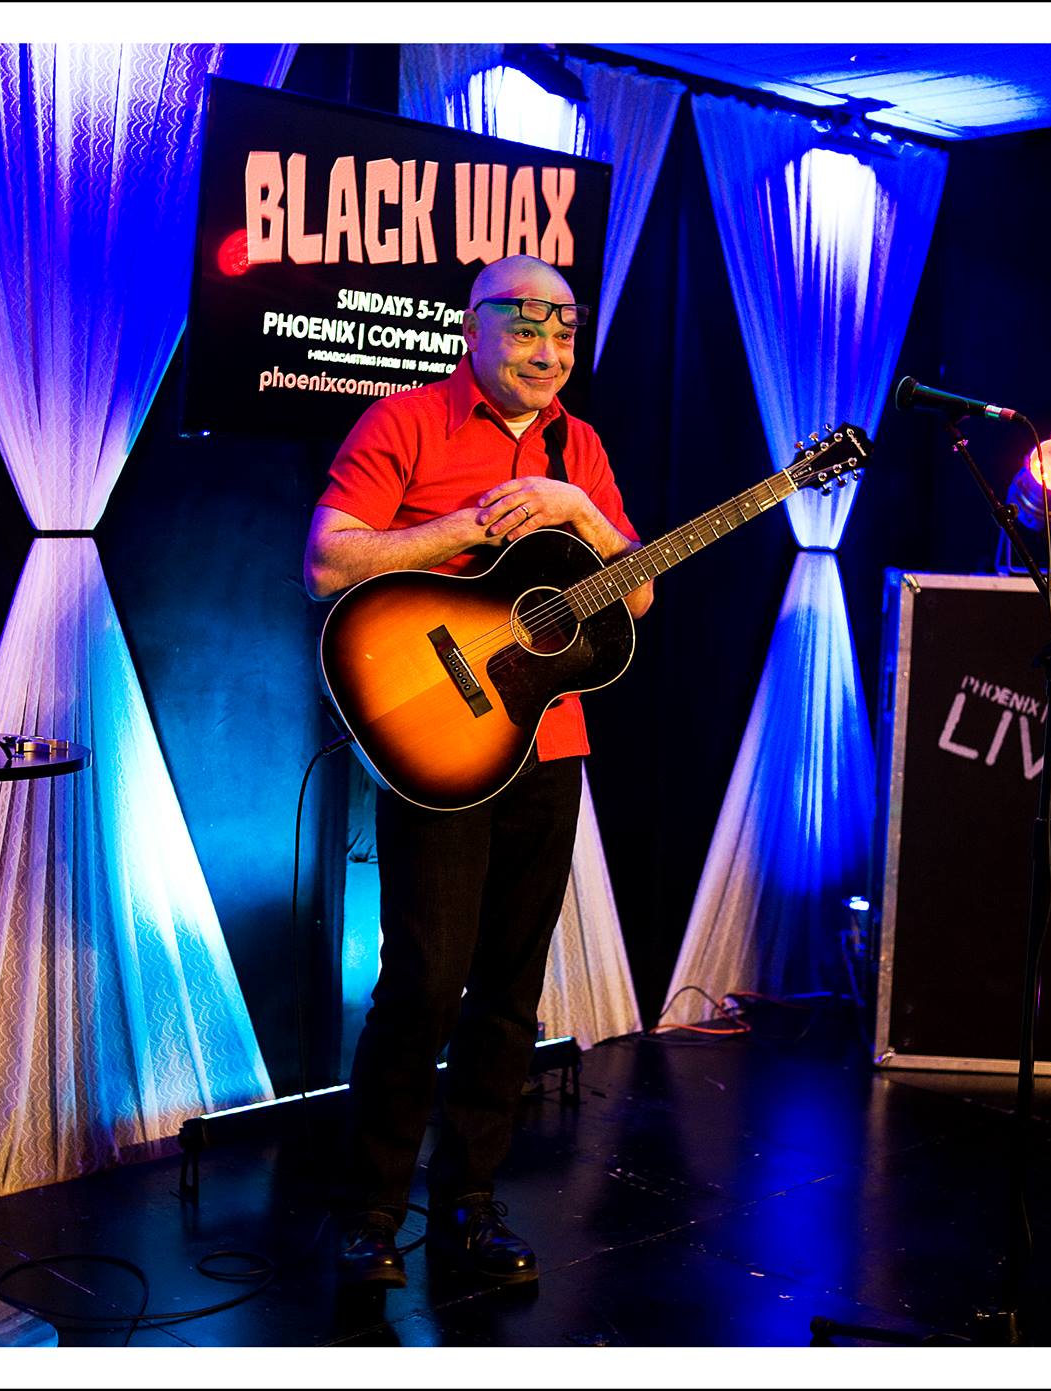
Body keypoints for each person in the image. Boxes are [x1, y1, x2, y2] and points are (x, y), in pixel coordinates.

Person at [303, 254, 653, 1289]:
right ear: (474, 327)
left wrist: (573, 508)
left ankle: (470, 1201)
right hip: (441, 743)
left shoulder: (579, 446)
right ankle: (370, 1208)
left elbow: (635, 594)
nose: (548, 351)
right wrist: (465, 528)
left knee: (509, 988)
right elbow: (327, 561)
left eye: (565, 331)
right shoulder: (406, 421)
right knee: (422, 980)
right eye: (527, 328)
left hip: (549, 747)